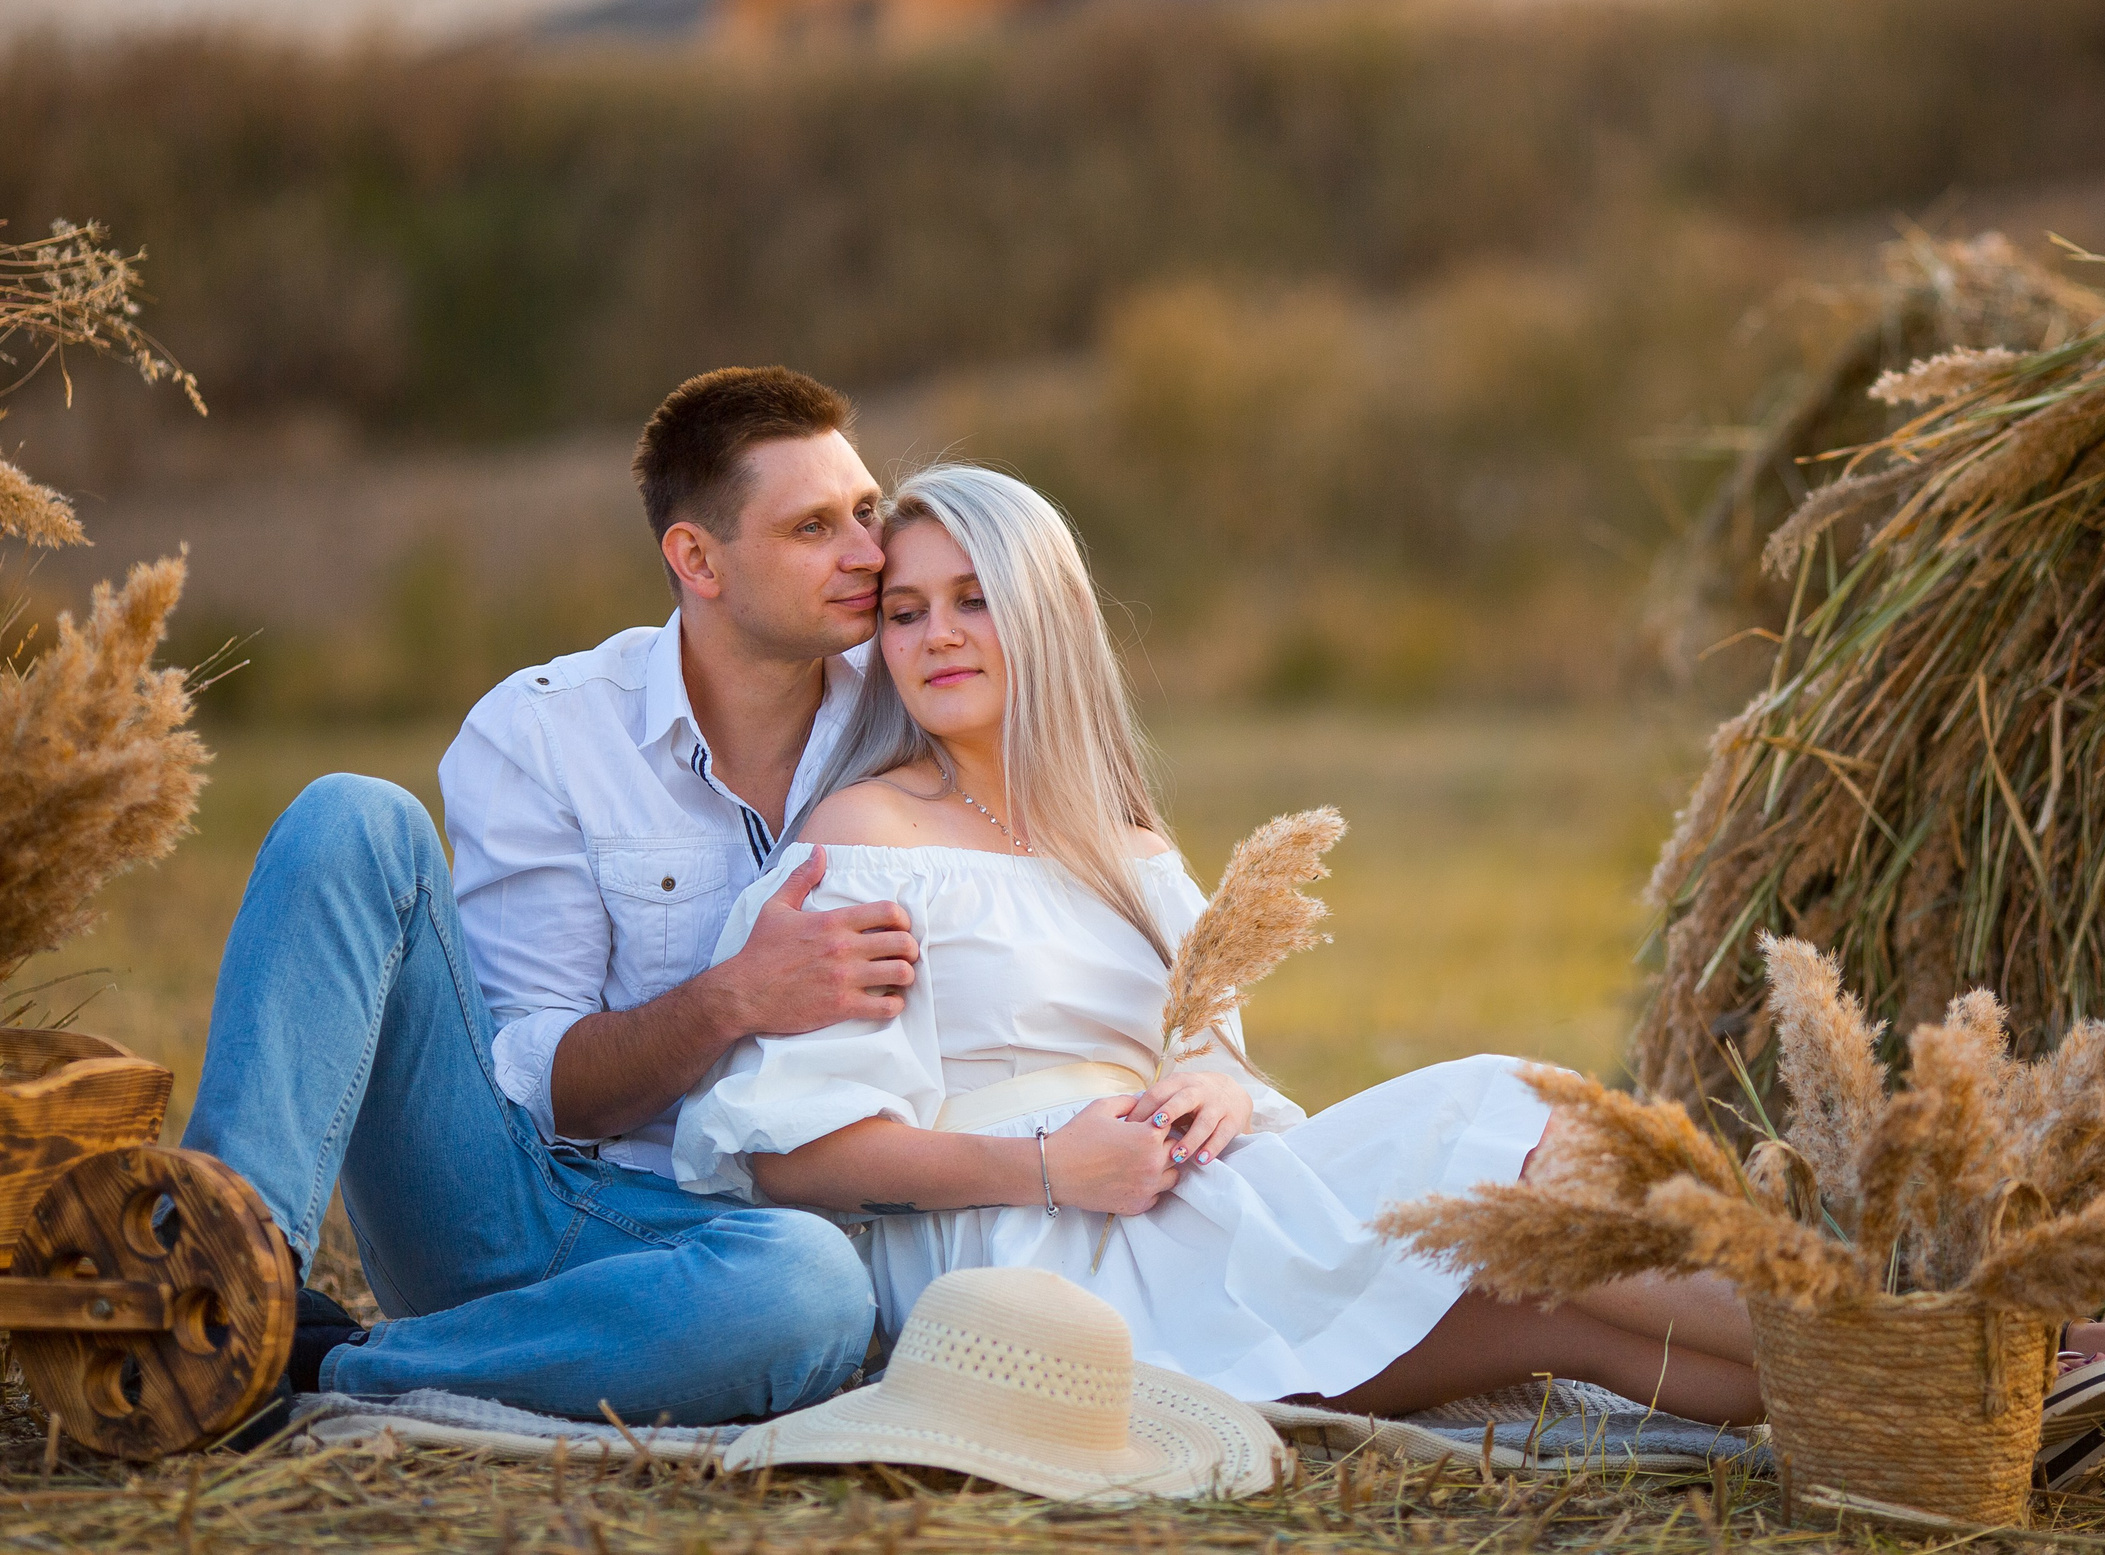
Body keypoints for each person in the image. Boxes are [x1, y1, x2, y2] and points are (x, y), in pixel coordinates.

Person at [670, 464, 1769, 1421]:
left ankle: (1868, 1355)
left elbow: (1208, 1053)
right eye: (904, 613)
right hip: (1022, 1249)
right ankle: (1876, 1323)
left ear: (1047, 615)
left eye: (974, 598)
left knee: (1597, 1324)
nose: (938, 635)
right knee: (1491, 1107)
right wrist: (1052, 1169)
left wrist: (1223, 1091)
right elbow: (793, 1157)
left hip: (1179, 1197)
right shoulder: (870, 840)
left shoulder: (1125, 845)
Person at [181, 366, 922, 1425]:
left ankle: (319, 1370)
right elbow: (542, 1091)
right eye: (813, 528)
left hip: (734, 1252)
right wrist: (735, 998)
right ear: (697, 560)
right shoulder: (544, 733)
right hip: (519, 1206)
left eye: (865, 512)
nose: (867, 553)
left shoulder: (910, 723)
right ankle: (213, 1292)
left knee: (811, 1292)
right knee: (354, 814)